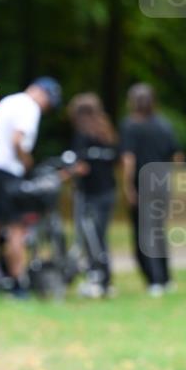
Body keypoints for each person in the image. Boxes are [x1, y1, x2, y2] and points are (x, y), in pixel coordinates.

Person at [0, 76, 61, 295]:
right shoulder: (29, 107)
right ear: (41, 93)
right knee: (16, 226)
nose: (46, 108)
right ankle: (17, 281)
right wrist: (27, 162)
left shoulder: (9, 101)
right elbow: (18, 140)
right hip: (6, 172)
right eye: (48, 103)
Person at [119, 83, 184, 296]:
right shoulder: (164, 125)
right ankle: (165, 278)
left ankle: (154, 279)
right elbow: (177, 156)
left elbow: (129, 159)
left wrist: (127, 186)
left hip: (142, 184)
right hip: (161, 182)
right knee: (158, 230)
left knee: (144, 233)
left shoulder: (130, 126)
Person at [68, 93, 119, 298]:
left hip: (89, 194)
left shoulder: (82, 135)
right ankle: (104, 278)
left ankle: (97, 277)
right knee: (100, 236)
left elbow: (78, 165)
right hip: (108, 191)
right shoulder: (107, 132)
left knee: (90, 237)